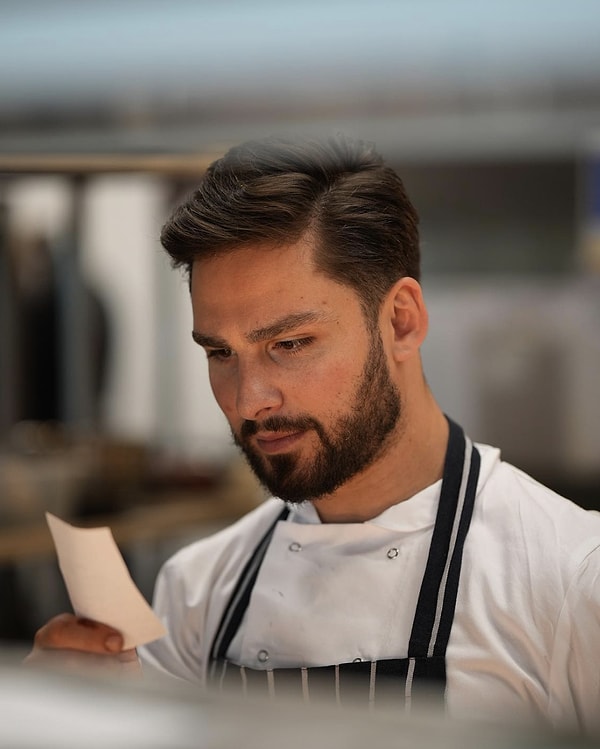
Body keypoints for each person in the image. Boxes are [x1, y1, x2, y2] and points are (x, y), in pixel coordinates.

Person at [27, 134, 600, 733]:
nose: (249, 400)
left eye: (290, 344)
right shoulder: (199, 590)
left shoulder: (569, 581)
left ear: (401, 321)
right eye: (220, 352)